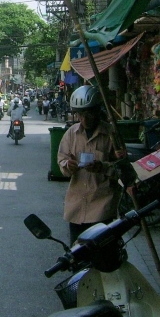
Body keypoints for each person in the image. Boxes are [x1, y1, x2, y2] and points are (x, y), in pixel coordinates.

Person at [57, 85, 123, 244]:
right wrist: (68, 165)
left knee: (101, 259)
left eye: (88, 114)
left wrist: (103, 167)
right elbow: (61, 160)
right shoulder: (71, 133)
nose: (84, 120)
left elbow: (123, 169)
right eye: (80, 115)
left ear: (97, 112)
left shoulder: (111, 135)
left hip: (102, 208)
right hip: (76, 207)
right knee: (78, 256)